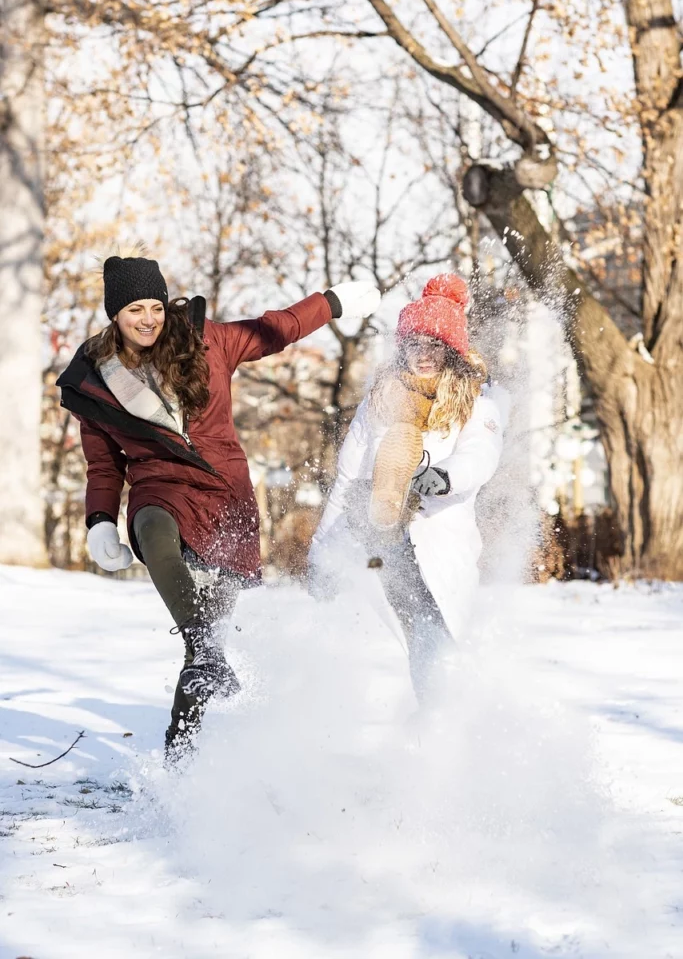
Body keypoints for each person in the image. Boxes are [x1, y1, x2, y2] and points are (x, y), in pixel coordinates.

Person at [57, 251, 380, 755]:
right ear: (114, 316)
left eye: (155, 307)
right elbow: (104, 466)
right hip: (158, 487)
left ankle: (180, 751)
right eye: (134, 310)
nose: (148, 319)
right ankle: (203, 648)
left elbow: (278, 328)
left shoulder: (210, 343)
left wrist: (333, 302)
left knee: (205, 644)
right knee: (153, 531)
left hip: (225, 497)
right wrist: (100, 520)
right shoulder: (95, 382)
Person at [308, 273, 507, 701]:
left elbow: (482, 454)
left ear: (452, 350)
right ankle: (386, 502)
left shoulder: (477, 402)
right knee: (384, 652)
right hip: (380, 545)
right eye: (414, 343)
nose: (423, 355)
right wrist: (322, 552)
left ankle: (440, 728)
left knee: (431, 639)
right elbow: (345, 477)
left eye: (434, 345)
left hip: (439, 535)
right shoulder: (380, 399)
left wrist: (445, 476)